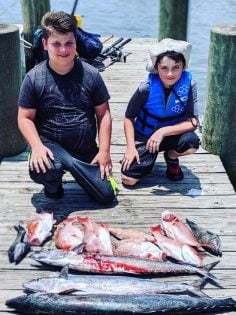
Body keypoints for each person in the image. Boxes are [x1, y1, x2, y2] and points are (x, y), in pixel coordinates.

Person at [18, 11, 117, 203]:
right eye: (56, 44)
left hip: (85, 148)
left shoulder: (92, 75)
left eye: (68, 43)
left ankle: (83, 169)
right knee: (44, 169)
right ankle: (53, 186)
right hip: (50, 146)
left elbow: (104, 114)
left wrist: (104, 151)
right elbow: (24, 117)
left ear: (76, 43)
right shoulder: (33, 78)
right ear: (45, 44)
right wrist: (37, 146)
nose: (63, 50)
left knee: (106, 196)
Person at [121, 38, 200, 185]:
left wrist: (162, 131)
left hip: (171, 135)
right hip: (145, 137)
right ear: (156, 68)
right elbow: (128, 118)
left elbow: (193, 121)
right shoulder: (145, 88)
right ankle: (147, 157)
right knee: (128, 180)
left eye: (176, 67)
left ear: (183, 67)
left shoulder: (190, 85)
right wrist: (130, 148)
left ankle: (171, 157)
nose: (170, 73)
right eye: (164, 68)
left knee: (192, 143)